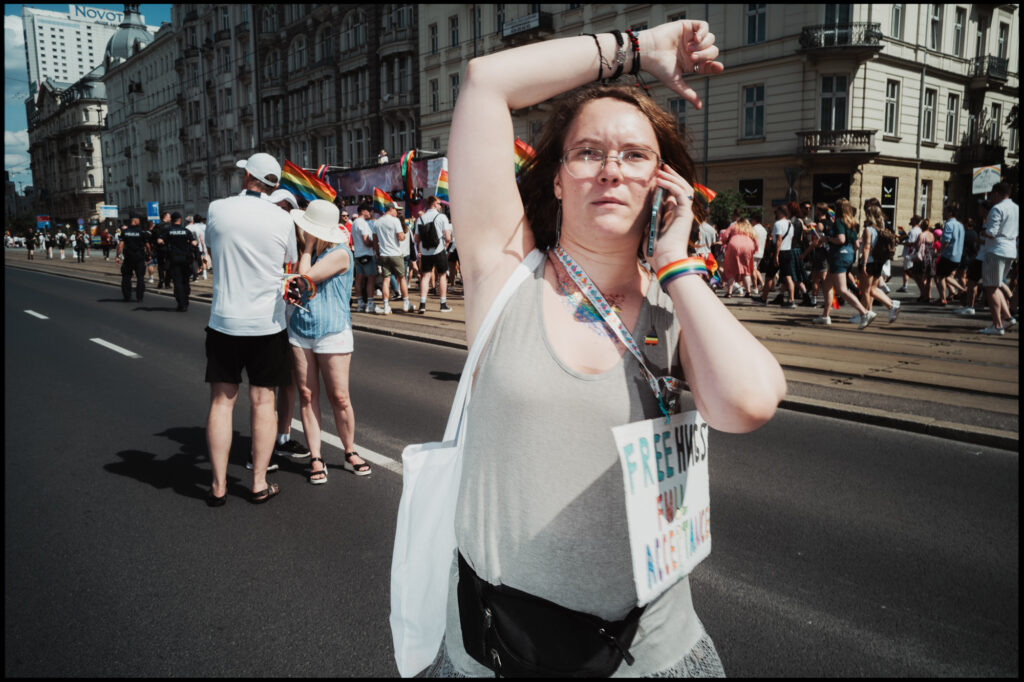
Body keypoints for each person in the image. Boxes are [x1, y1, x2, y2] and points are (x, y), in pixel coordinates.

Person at [429, 19, 786, 678]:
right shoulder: (505, 274)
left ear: (663, 184)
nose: (611, 170)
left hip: (643, 658)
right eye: (587, 152)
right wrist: (637, 52)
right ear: (558, 179)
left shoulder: (674, 309)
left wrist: (677, 265)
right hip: (494, 652)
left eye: (634, 156)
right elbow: (485, 82)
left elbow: (749, 403)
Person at [203, 152, 297, 506]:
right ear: (274, 183)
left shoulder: (217, 209)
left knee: (222, 403)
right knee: (263, 402)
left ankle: (218, 486)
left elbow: (214, 247)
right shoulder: (282, 218)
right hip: (267, 324)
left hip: (224, 320)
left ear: (247, 177)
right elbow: (287, 259)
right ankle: (258, 483)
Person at [287, 199, 372, 482]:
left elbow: (304, 281)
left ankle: (349, 451)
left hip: (333, 331)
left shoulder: (341, 253)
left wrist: (309, 248)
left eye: (307, 230)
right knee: (308, 395)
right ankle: (316, 457)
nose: (303, 233)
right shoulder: (307, 253)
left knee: (340, 396)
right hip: (301, 330)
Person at [814, 199, 876, 327]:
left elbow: (840, 239)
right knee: (826, 285)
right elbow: (856, 245)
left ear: (838, 209)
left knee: (842, 289)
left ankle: (864, 313)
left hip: (839, 256)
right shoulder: (852, 223)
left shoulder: (839, 222)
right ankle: (825, 316)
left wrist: (826, 239)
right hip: (847, 255)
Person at [978, 182, 1019, 335]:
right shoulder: (1016, 208)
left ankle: (997, 325)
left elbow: (991, 232)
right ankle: (1006, 318)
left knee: (991, 287)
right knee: (997, 284)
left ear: (997, 193)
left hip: (996, 250)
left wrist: (983, 233)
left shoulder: (997, 208)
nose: (991, 197)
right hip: (1011, 250)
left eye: (992, 194)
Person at [855, 204, 900, 323]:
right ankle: (891, 305)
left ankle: (867, 314)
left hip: (868, 262)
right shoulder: (881, 229)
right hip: (878, 262)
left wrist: (863, 264)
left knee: (865, 290)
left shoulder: (868, 230)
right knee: (873, 290)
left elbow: (866, 248)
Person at [414, 195, 454, 313]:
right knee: (442, 276)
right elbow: (447, 237)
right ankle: (443, 304)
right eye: (439, 204)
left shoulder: (420, 218)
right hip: (439, 250)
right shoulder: (441, 217)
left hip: (426, 252)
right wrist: (446, 247)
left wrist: (421, 250)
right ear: (434, 204)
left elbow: (416, 239)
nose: (440, 206)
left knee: (425, 277)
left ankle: (422, 304)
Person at [372, 201, 409, 314]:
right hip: (395, 253)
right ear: (391, 209)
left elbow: (375, 241)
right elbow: (401, 237)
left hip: (384, 254)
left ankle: (386, 306)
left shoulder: (377, 222)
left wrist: (378, 253)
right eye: (396, 210)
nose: (397, 212)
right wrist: (402, 236)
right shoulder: (395, 221)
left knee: (386, 280)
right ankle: (406, 304)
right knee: (402, 277)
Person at [165, 212, 197, 312]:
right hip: (185, 259)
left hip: (174, 258)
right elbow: (194, 242)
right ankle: (186, 301)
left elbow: (159, 241)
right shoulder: (186, 230)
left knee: (177, 281)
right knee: (185, 281)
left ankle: (181, 303)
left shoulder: (168, 231)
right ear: (180, 219)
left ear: (172, 220)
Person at [351, 201, 378, 313]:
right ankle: (370, 303)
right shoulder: (362, 223)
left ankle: (360, 303)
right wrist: (375, 243)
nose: (370, 213)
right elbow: (366, 241)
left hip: (358, 254)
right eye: (369, 211)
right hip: (367, 253)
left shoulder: (354, 223)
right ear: (363, 211)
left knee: (359, 279)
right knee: (371, 278)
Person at [115, 213, 149, 302]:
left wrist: (117, 256)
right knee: (140, 277)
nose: (140, 221)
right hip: (139, 257)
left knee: (126, 277)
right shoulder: (142, 232)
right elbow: (147, 245)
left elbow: (120, 245)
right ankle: (139, 296)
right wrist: (149, 255)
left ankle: (127, 296)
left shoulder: (125, 232)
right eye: (139, 219)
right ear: (135, 220)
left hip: (128, 257)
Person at [720, 216, 757, 298]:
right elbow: (755, 240)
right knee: (746, 270)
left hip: (734, 245)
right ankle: (748, 292)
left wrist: (724, 242)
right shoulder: (750, 228)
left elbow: (725, 236)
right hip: (749, 246)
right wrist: (755, 249)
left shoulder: (734, 226)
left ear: (738, 222)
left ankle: (729, 292)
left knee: (731, 269)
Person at [936, 204, 965, 306]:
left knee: (940, 277)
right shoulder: (960, 225)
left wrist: (939, 251)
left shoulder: (949, 224)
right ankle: (962, 290)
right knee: (947, 276)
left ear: (950, 213)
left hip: (948, 255)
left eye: (944, 211)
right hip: (958, 256)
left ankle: (943, 298)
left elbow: (946, 241)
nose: (943, 213)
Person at [750, 211, 767, 295]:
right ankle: (762, 283)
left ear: (754, 220)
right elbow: (764, 242)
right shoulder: (764, 229)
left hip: (753, 251)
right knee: (755, 269)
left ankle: (755, 286)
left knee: (752, 269)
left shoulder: (753, 229)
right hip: (761, 252)